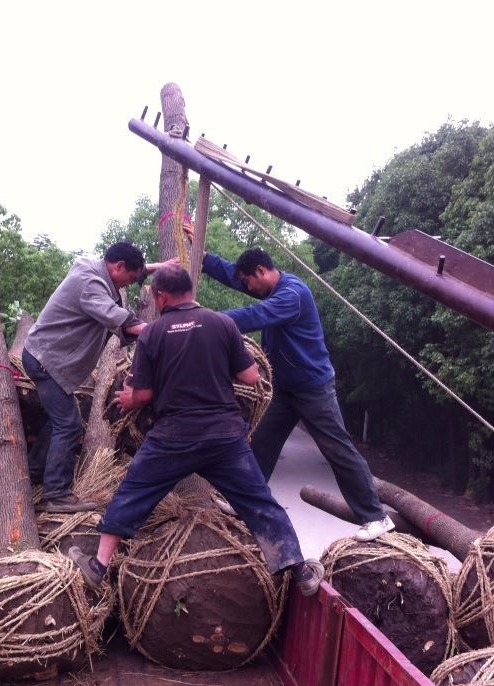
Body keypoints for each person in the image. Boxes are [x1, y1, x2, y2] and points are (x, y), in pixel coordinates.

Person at [68, 265, 324, 596]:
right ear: (189, 290)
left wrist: (131, 398)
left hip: (172, 437)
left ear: (160, 296)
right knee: (259, 501)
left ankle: (98, 566)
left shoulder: (154, 333)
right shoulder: (223, 323)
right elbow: (250, 378)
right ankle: (300, 570)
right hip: (224, 437)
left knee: (133, 494)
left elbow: (142, 395)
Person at [183, 224, 394, 543]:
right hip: (286, 389)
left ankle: (376, 517)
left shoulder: (292, 295)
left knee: (337, 448)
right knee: (260, 443)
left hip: (313, 388)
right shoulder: (269, 287)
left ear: (260, 271)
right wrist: (203, 254)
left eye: (247, 282)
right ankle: (246, 503)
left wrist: (205, 320)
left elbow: (255, 315)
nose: (246, 287)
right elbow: (232, 274)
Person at [23, 242, 160, 513]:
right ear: (117, 266)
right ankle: (56, 494)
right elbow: (117, 318)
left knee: (60, 419)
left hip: (48, 358)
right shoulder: (90, 283)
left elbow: (123, 313)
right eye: (130, 278)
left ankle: (35, 471)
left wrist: (157, 268)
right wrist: (162, 333)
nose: (128, 285)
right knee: (69, 425)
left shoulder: (98, 272)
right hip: (45, 360)